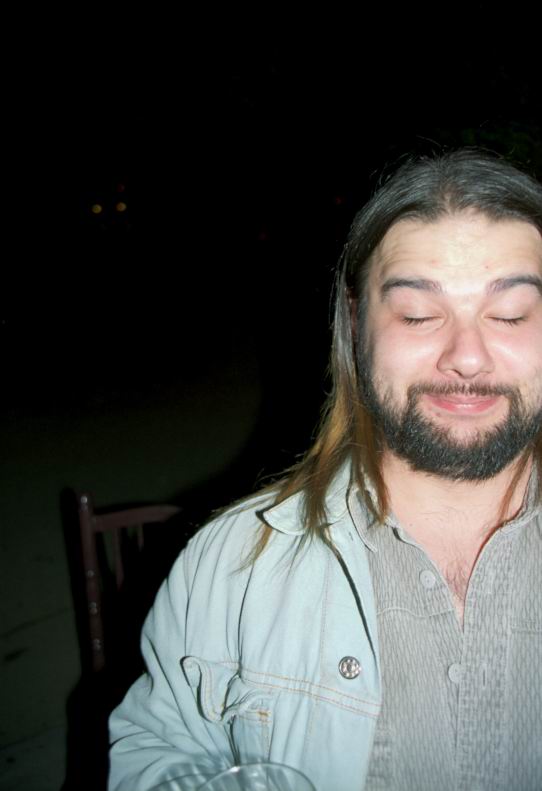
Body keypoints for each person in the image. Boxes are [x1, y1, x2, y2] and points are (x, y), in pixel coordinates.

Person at [108, 149, 542, 791]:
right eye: (418, 315)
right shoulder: (230, 566)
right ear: (356, 324)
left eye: (511, 315)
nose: (467, 357)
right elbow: (154, 745)